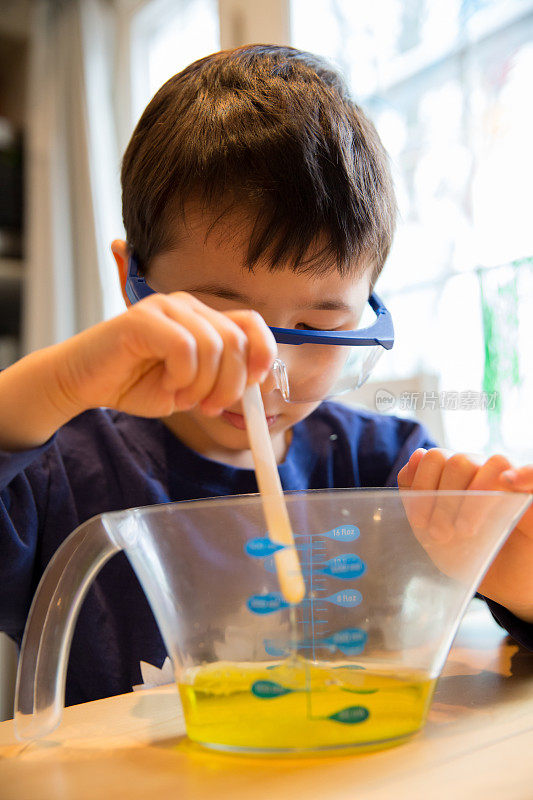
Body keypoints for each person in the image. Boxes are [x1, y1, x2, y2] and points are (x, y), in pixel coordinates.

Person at [0, 45, 531, 707]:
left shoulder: (390, 474)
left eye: (316, 330)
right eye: (218, 318)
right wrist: (56, 385)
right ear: (133, 287)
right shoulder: (52, 477)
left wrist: (516, 583)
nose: (265, 374)